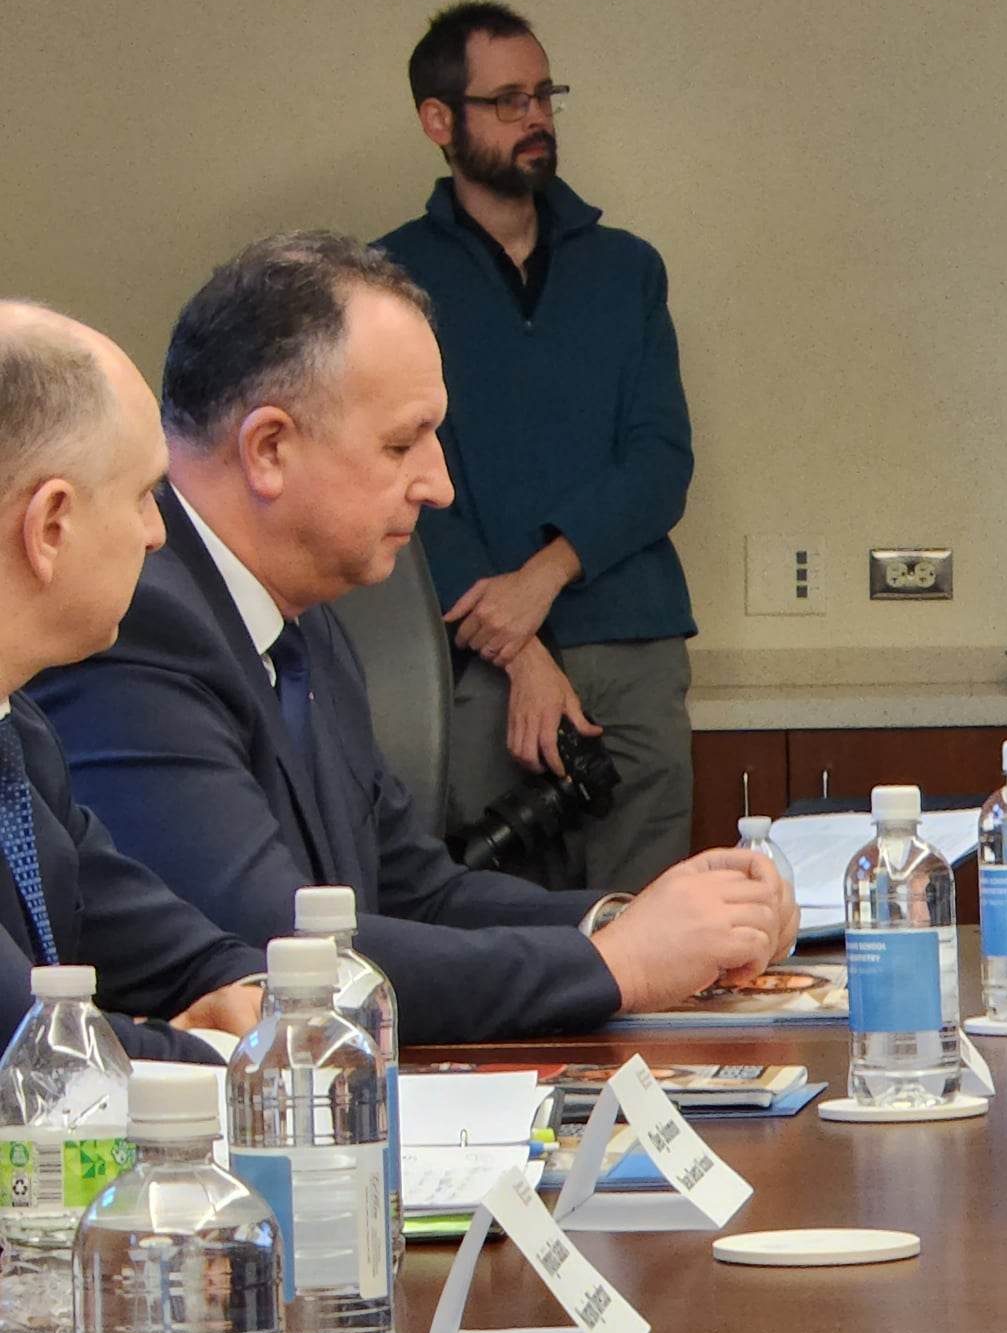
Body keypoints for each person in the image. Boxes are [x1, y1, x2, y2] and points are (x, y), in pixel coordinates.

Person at [29, 234, 796, 1045]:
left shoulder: (307, 616)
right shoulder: (136, 623)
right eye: (401, 445)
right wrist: (618, 966)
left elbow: (413, 890)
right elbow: (275, 949)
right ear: (270, 449)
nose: (438, 485)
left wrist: (631, 920)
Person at [375, 0, 695, 895]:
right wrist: (518, 648)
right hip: (472, 662)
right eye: (508, 100)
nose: (536, 118)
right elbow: (393, 481)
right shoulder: (385, 283)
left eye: (544, 95)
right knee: (499, 933)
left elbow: (660, 462)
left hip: (630, 642)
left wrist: (545, 577)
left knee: (651, 929)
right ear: (440, 121)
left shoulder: (627, 268)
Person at [0, 302, 263, 1061]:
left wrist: (237, 988)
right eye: (146, 494)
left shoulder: (20, 734)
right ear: (51, 525)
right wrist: (205, 1053)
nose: (157, 533)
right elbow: (29, 1048)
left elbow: (146, 933)